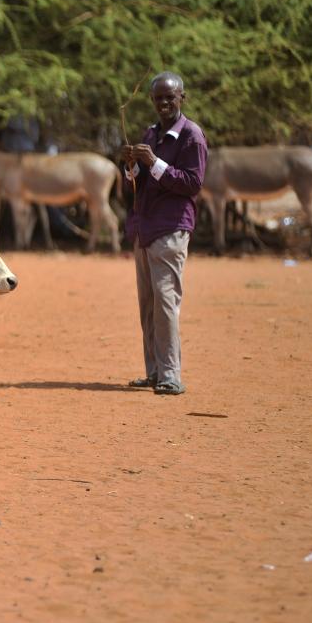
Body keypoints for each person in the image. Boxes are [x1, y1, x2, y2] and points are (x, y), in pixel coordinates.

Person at [119, 71, 208, 395]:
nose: (164, 103)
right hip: (145, 227)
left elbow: (193, 183)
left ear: (182, 97)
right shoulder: (151, 133)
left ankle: (171, 375)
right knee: (148, 303)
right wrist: (131, 165)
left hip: (171, 228)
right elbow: (137, 183)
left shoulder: (191, 136)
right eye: (158, 98)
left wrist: (153, 162)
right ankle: (155, 372)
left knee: (166, 301)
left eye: (170, 97)